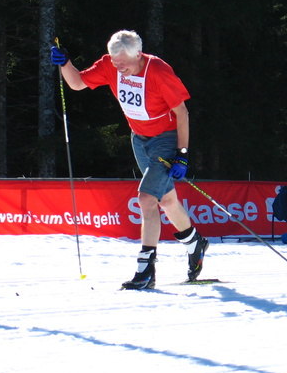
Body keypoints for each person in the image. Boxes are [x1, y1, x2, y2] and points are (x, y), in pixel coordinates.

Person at [52, 30, 209, 289]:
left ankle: (145, 269)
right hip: (139, 139)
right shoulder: (109, 64)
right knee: (166, 200)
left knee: (146, 199)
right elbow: (77, 83)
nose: (119, 68)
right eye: (115, 62)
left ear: (138, 54)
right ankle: (195, 243)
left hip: (166, 139)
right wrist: (65, 63)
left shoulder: (158, 71)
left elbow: (182, 112)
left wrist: (182, 154)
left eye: (123, 63)